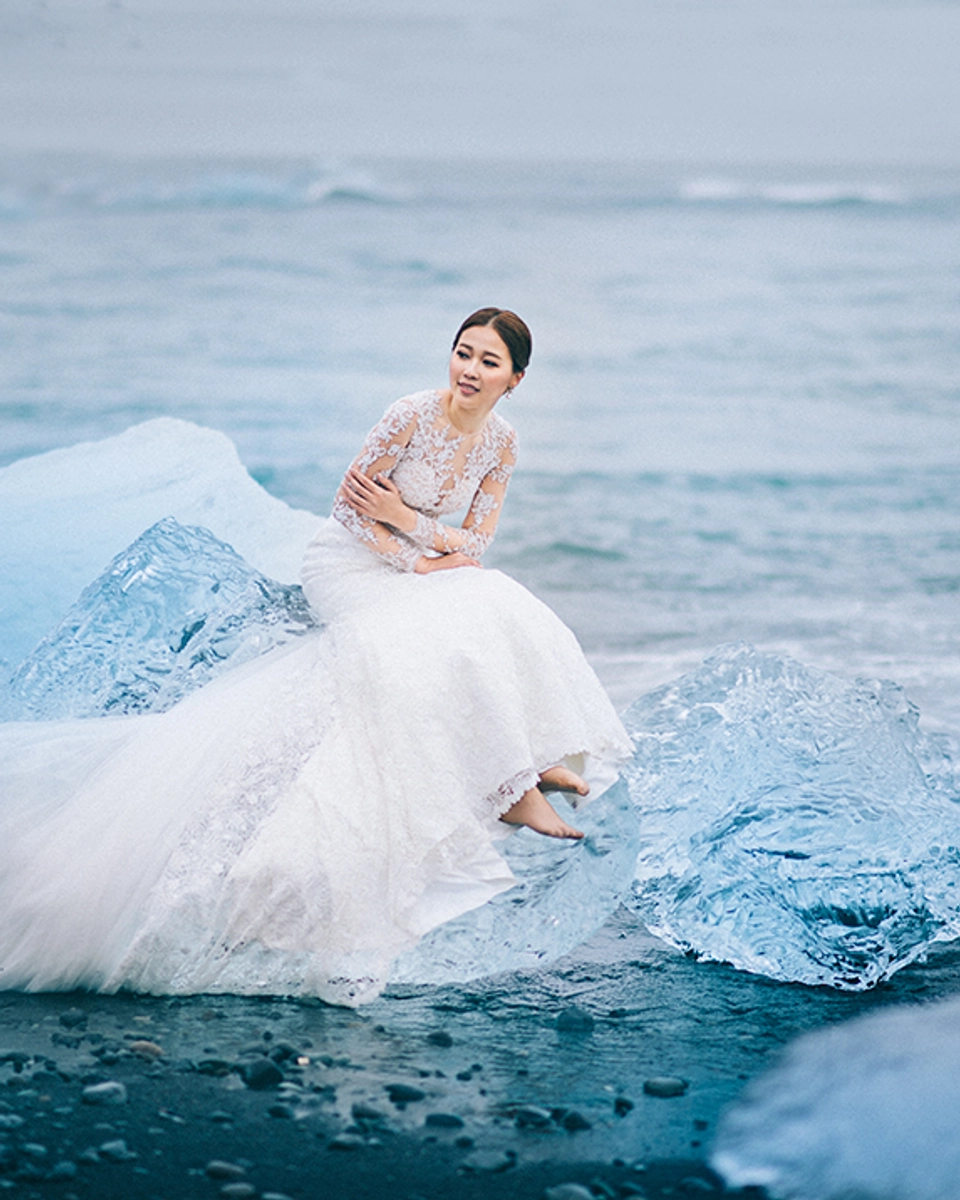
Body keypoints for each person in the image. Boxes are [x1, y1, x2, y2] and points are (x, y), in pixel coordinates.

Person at [0, 308, 630, 1006]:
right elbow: (351, 509)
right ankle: (509, 791)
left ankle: (526, 762)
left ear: (515, 379)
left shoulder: (503, 443)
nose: (469, 370)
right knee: (425, 636)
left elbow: (476, 543)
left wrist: (410, 526)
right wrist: (417, 557)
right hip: (347, 564)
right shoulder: (409, 415)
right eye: (463, 352)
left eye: (489, 361)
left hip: (409, 557)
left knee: (497, 597)